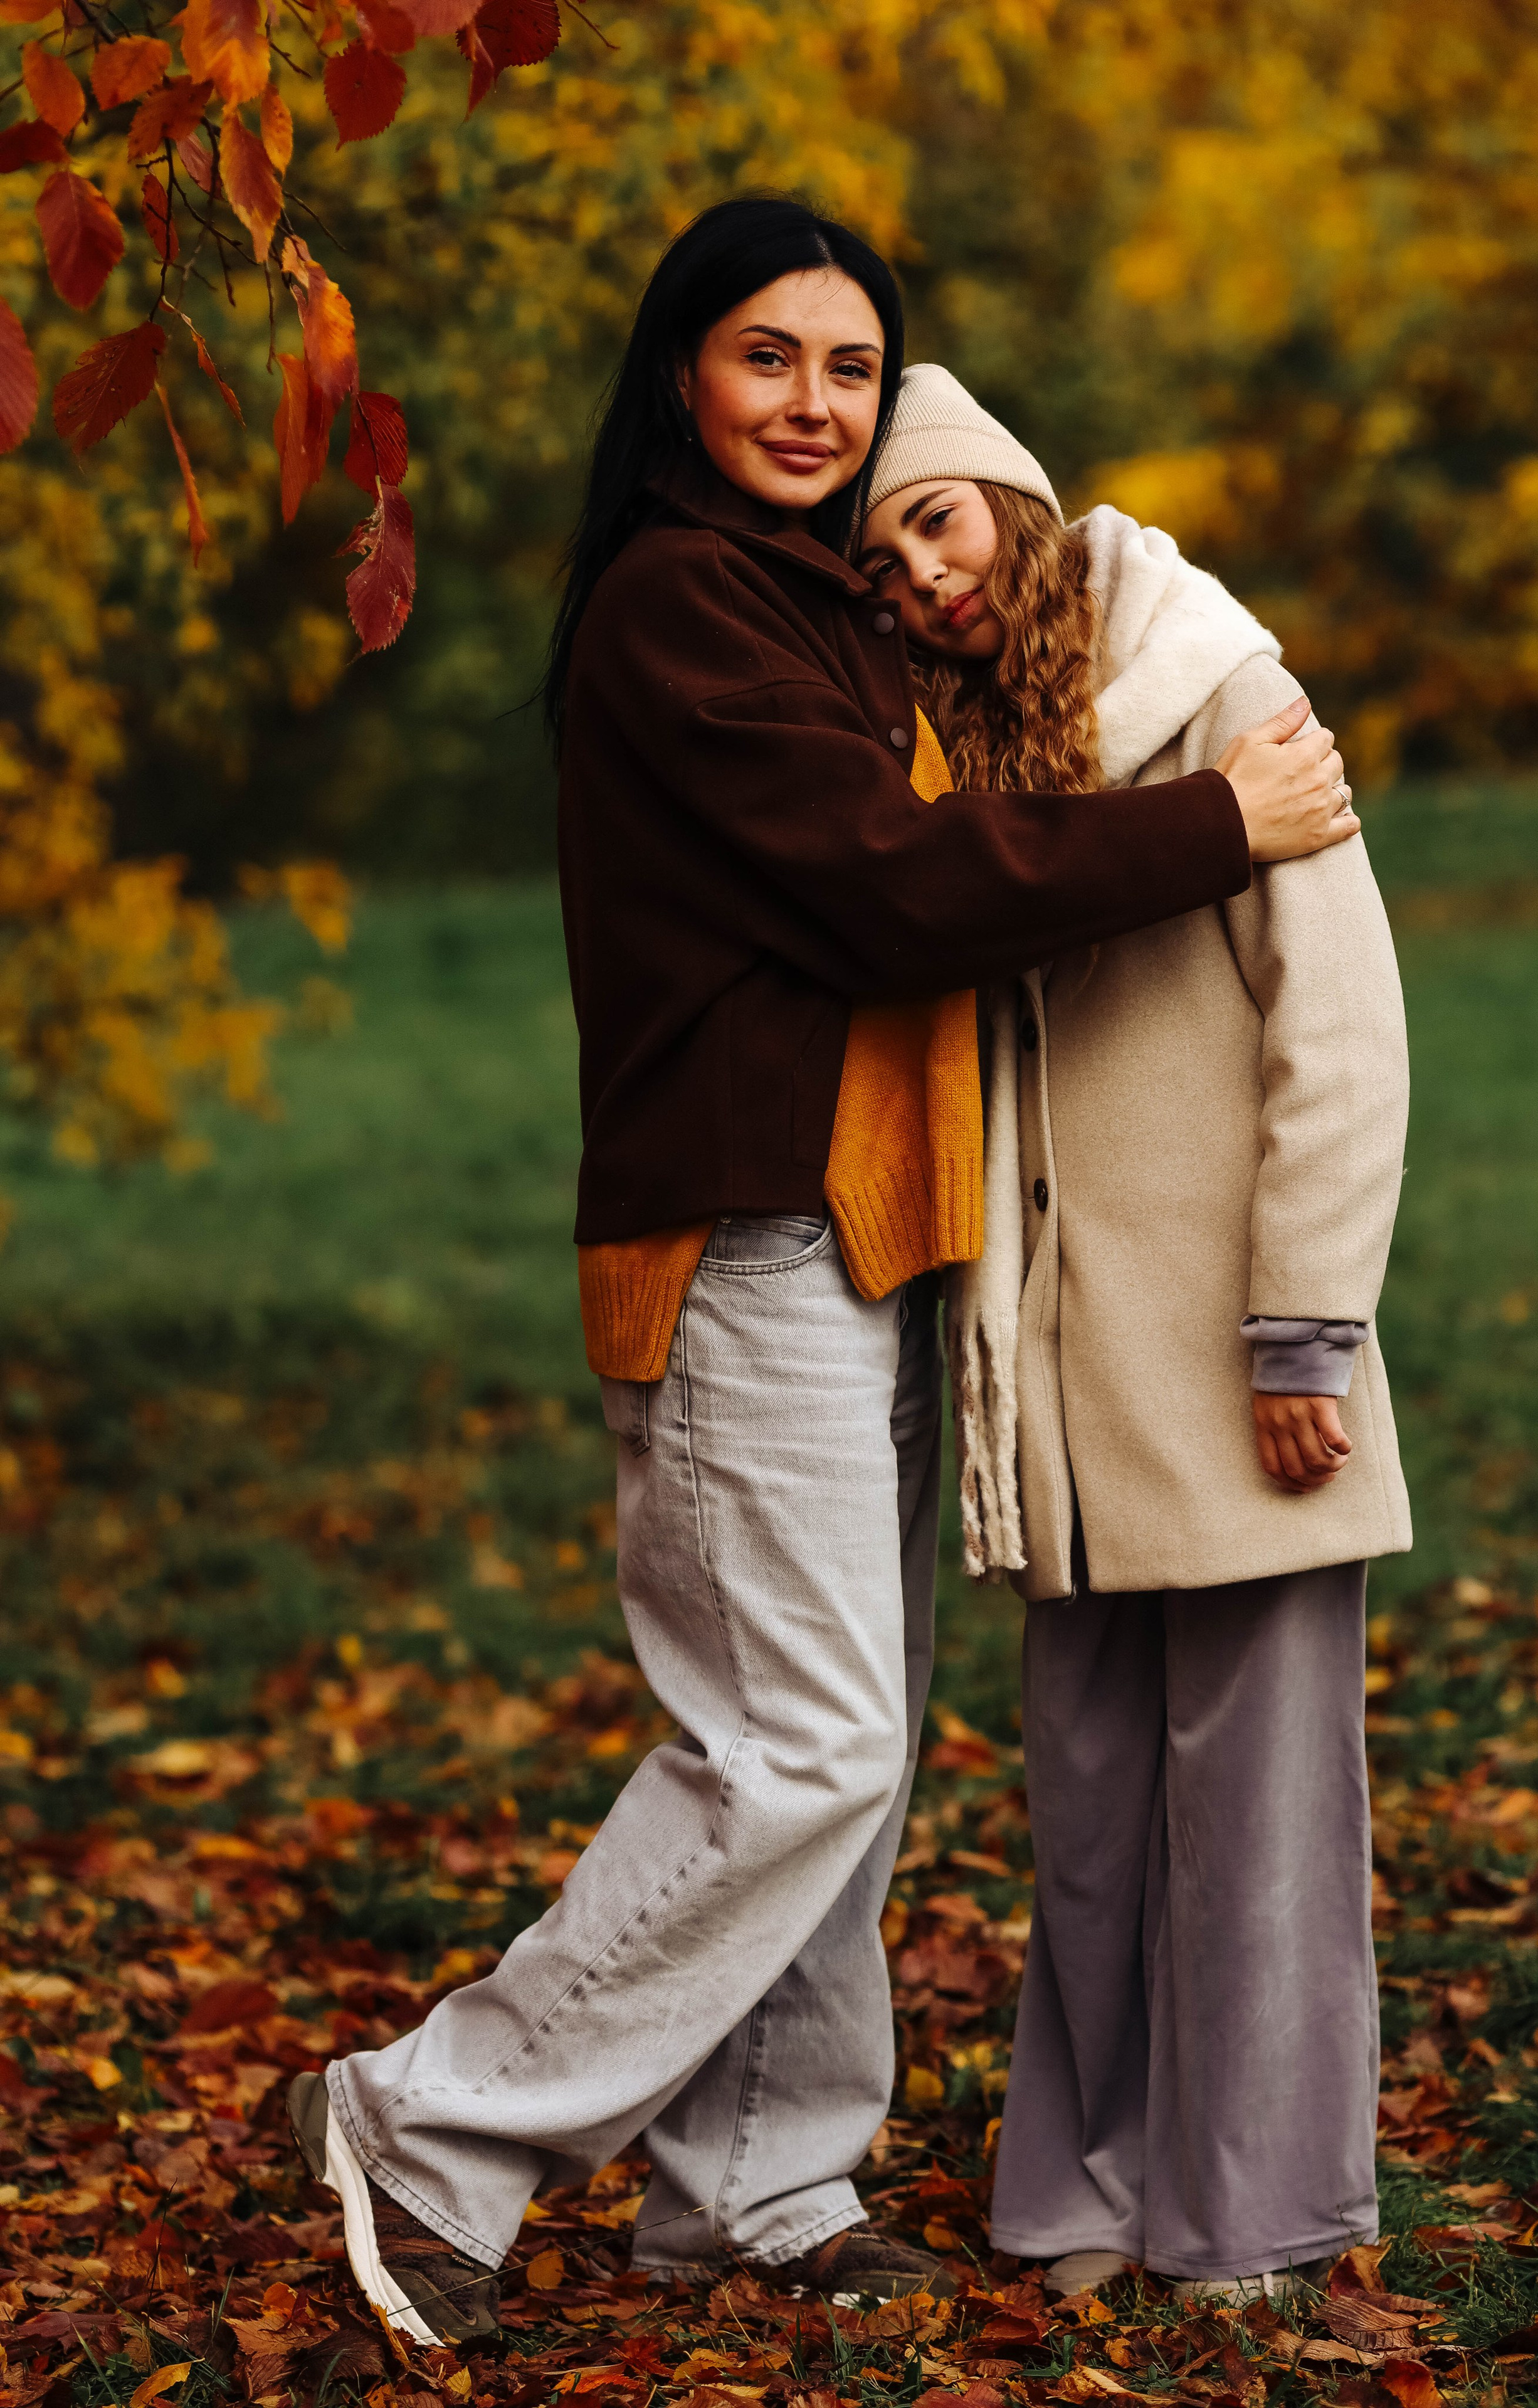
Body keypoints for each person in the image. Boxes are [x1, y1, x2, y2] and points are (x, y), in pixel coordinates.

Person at [287, 202, 1359, 2343]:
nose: (814, 404)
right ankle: (431, 2125)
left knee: (838, 1760)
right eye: (768, 357)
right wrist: (1218, 823)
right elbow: (894, 882)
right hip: (746, 1229)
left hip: (879, 1232)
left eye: (851, 369)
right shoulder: (686, 611)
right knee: (803, 1742)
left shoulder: (821, 603)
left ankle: (758, 2181)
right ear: (683, 373)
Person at [857, 366, 1409, 2306]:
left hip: (1244, 1360)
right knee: (1091, 1816)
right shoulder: (953, 763)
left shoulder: (1229, 696)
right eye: (883, 556)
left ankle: (1253, 2211)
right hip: (1061, 1385)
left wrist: (1304, 1332)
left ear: (1013, 497)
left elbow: (1340, 1031)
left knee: (1255, 1808)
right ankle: (1086, 2187)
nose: (922, 576)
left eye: (937, 520)